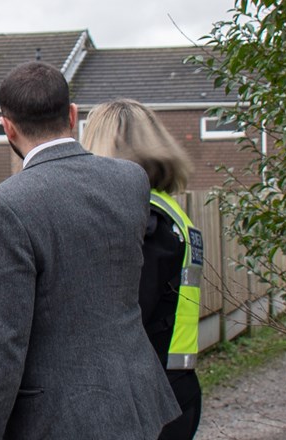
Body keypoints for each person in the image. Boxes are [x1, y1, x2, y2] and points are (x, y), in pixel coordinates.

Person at [0, 62, 180, 440]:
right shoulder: (131, 180)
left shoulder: (6, 205)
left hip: (61, 419)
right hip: (139, 400)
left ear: (7, 128)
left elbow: (4, 346)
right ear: (73, 115)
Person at [82, 99, 205, 440]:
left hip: (145, 400)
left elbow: (124, 314)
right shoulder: (169, 212)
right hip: (174, 386)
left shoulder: (144, 220)